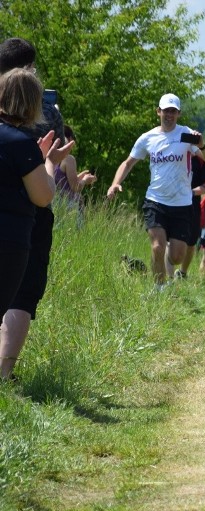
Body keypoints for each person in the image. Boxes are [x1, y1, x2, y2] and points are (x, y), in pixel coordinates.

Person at [0, 38, 71, 382]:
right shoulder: (46, 113)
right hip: (23, 222)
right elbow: (44, 194)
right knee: (21, 293)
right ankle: (4, 372)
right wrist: (49, 162)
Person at [107, 93, 205, 288]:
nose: (169, 115)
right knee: (157, 246)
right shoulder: (148, 138)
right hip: (155, 200)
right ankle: (159, 288)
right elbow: (128, 162)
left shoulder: (186, 134)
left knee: (176, 257)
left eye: (173, 111)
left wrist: (202, 145)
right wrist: (115, 183)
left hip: (182, 203)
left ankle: (168, 263)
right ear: (158, 112)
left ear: (178, 113)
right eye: (166, 111)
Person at [171, 151, 205, 278]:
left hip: (192, 203)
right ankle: (169, 276)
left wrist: (191, 192)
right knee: (170, 237)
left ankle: (182, 273)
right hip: (172, 200)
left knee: (191, 240)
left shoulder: (202, 158)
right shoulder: (175, 153)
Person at [53, 125, 97, 222]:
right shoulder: (69, 159)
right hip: (70, 209)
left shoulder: (50, 158)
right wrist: (85, 180)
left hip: (54, 207)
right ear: (69, 139)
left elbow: (61, 181)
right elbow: (76, 187)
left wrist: (79, 176)